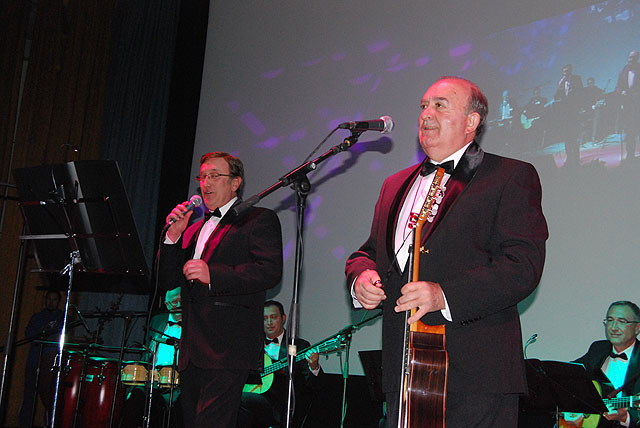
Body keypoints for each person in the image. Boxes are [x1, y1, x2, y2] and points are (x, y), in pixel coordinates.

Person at [345, 76, 548, 428]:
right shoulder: (394, 184)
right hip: (404, 373)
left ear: (472, 122)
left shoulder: (509, 175)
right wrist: (361, 276)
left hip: (476, 374)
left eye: (440, 105)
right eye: (424, 106)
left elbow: (522, 266)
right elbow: (371, 253)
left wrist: (444, 294)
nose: (426, 113)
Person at [158, 151, 284, 428]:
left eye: (215, 176)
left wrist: (212, 274)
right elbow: (167, 280)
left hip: (228, 348)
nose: (206, 183)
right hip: (192, 350)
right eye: (202, 177)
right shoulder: (194, 229)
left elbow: (269, 271)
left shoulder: (257, 219)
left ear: (235, 183)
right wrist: (173, 236)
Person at [237, 300, 322, 428]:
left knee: (241, 399)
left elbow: (312, 385)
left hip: (280, 405)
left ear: (283, 318)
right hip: (254, 396)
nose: (269, 322)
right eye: (264, 318)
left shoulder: (299, 346)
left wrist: (314, 366)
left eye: (273, 317)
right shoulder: (252, 345)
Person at [564, 301, 640, 428]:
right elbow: (568, 374)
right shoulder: (598, 349)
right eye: (610, 320)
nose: (613, 327)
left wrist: (625, 417)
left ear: (637, 327)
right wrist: (571, 408)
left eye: (622, 321)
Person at [119, 287, 183, 428]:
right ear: (166, 304)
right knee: (134, 403)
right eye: (174, 302)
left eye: (181, 300)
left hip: (178, 383)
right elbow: (146, 353)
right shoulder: (157, 320)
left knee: (178, 412)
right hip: (152, 380)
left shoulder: (193, 323)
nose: (179, 305)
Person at [18, 290, 64, 428]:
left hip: (51, 363)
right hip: (34, 361)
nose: (51, 302)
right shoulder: (37, 317)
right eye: (49, 299)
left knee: (50, 395)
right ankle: (25, 424)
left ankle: (49, 423)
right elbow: (29, 334)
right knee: (29, 395)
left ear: (58, 302)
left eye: (54, 299)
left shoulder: (62, 318)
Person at [616, 50, 640, 162]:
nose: (630, 59)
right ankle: (630, 155)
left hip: (638, 105)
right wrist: (621, 92)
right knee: (630, 132)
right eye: (629, 57)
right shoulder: (624, 70)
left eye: (633, 58)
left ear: (637, 59)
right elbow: (618, 86)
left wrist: (633, 95)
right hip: (628, 107)